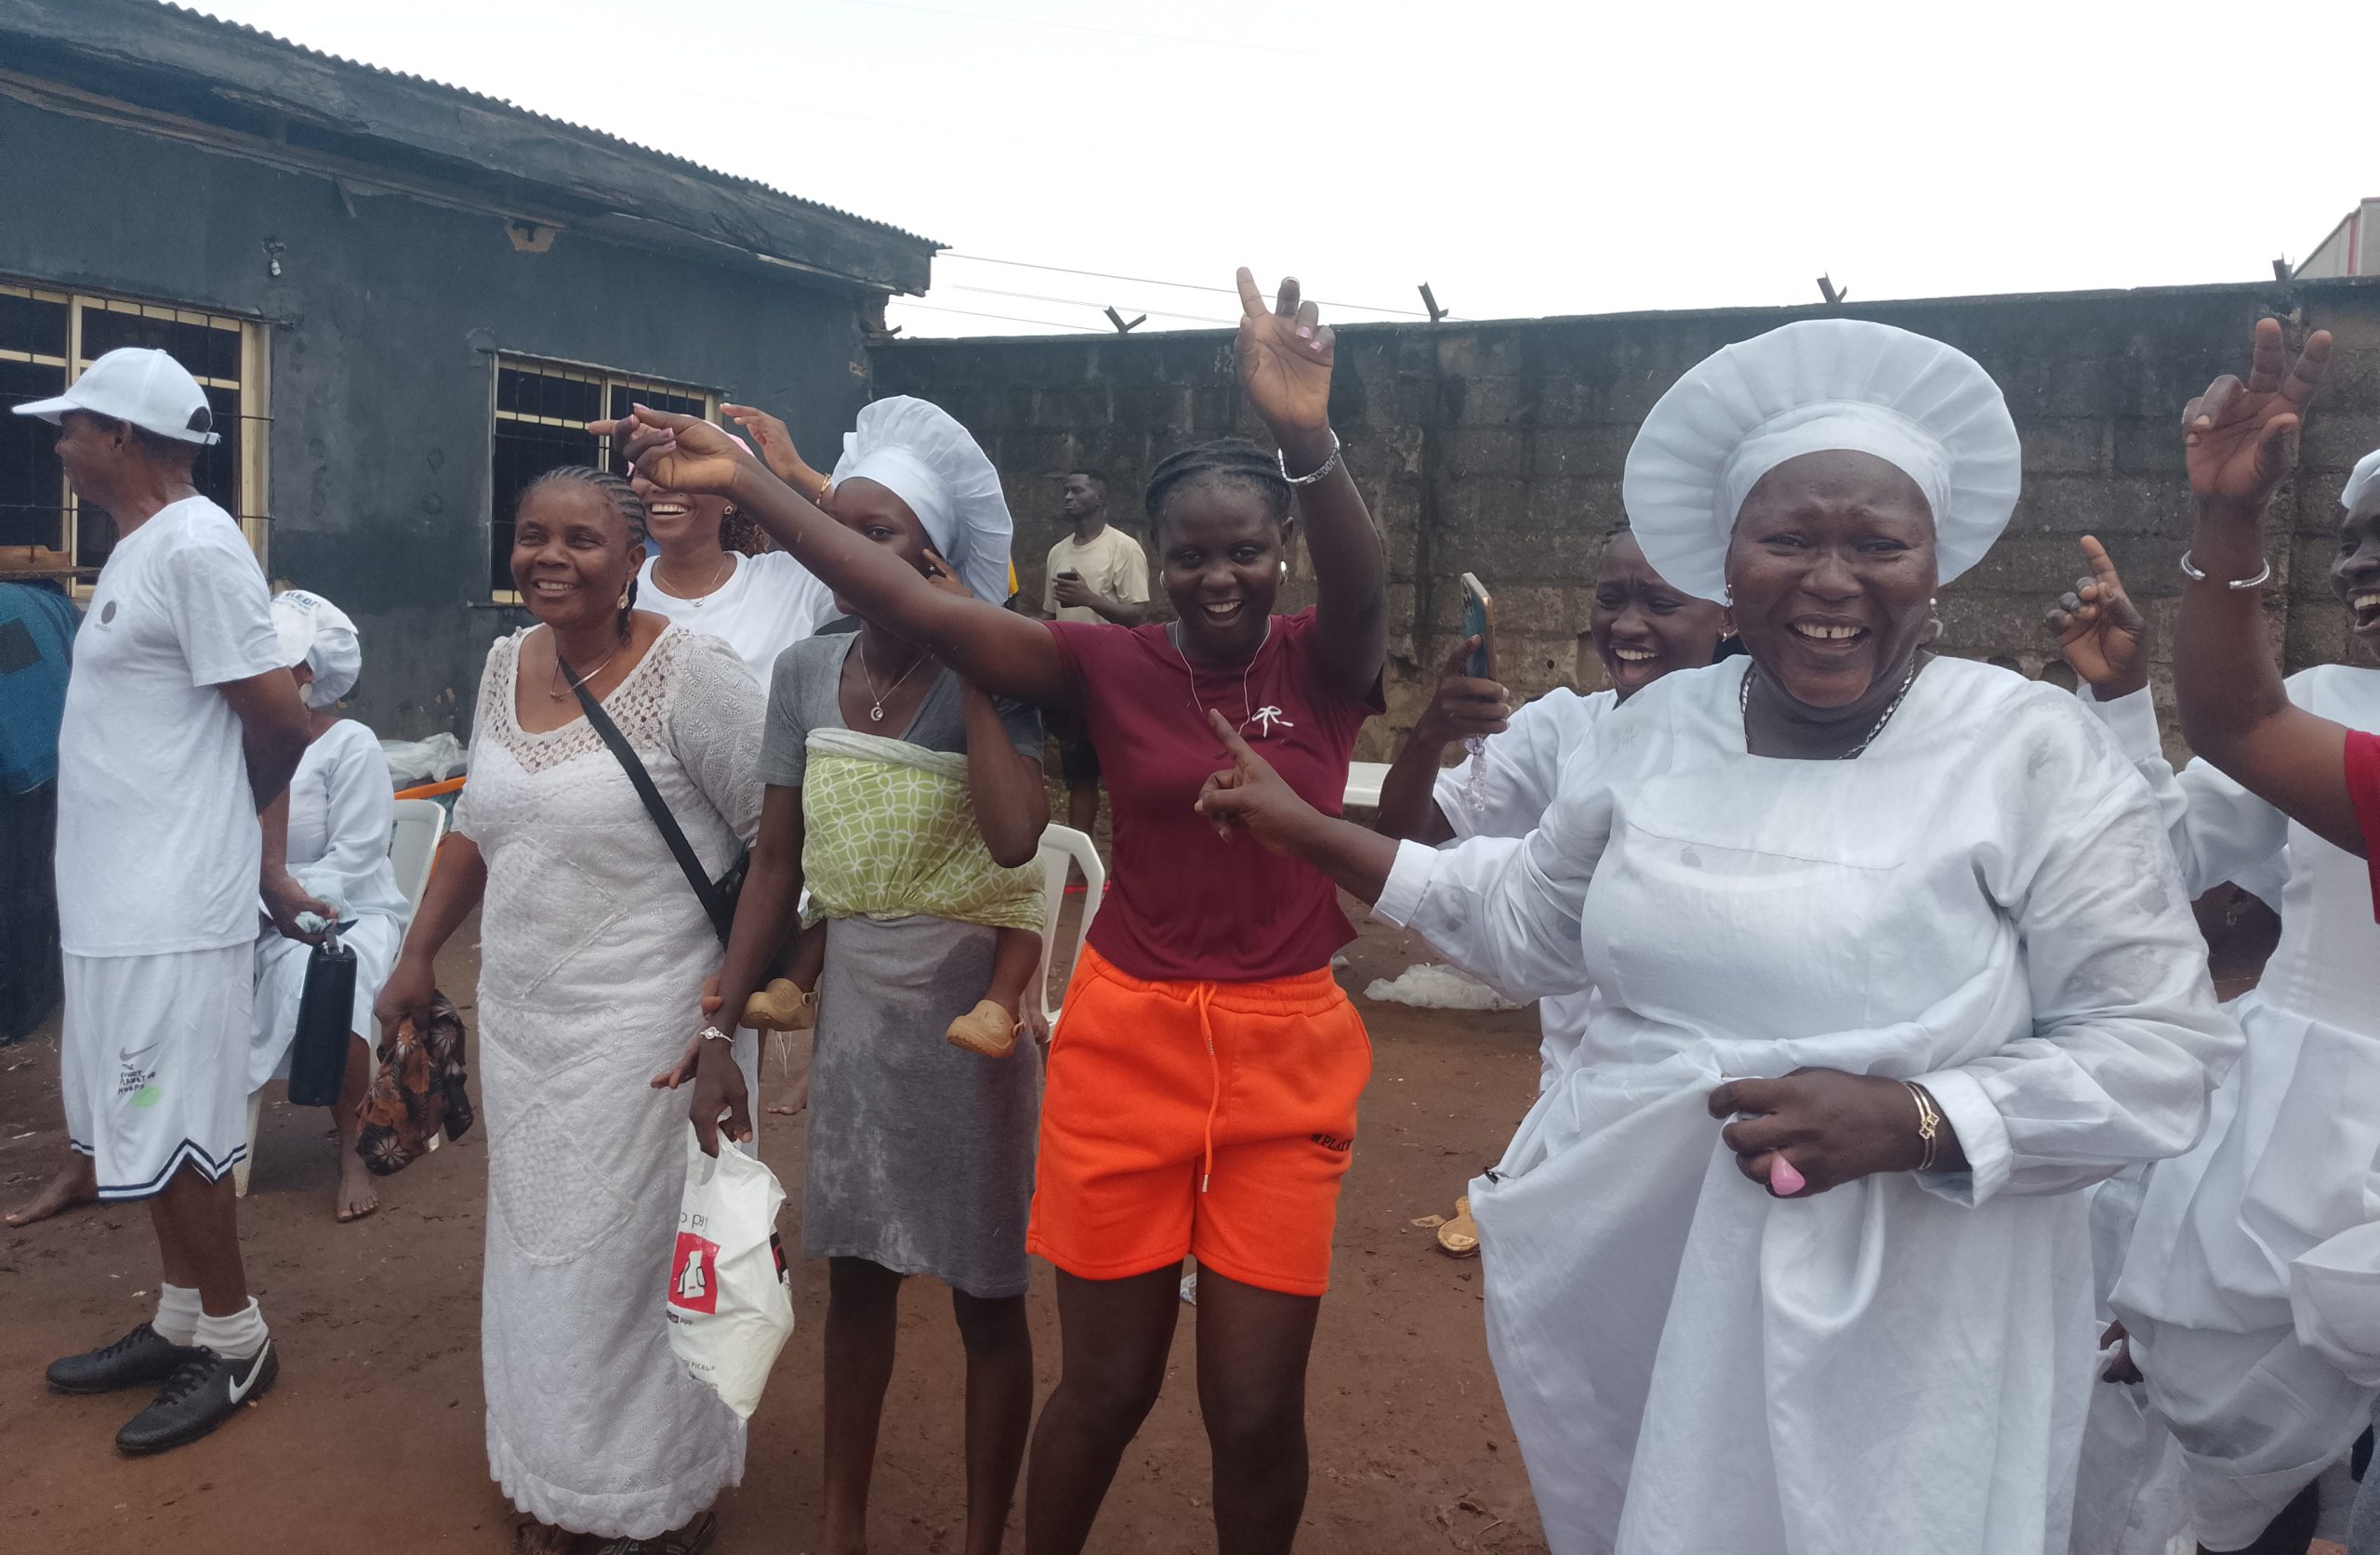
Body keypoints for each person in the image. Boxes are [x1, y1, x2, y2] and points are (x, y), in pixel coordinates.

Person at [1190, 316, 2242, 1555]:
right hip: (1650, 1285)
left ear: (1936, 563)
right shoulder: (1650, 734)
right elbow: (1524, 924)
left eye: (1879, 544)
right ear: (1728, 564)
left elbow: (2157, 1049)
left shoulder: (2028, 749)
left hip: (1923, 1315)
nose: (1832, 580)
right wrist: (1311, 830)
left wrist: (1917, 1119)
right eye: (1788, 539)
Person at [612, 268, 1386, 1555]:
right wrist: (752, 483)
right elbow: (910, 596)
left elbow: (1362, 582)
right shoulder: (1110, 664)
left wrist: (1306, 436)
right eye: (1191, 555)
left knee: (1254, 1413)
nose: (1218, 577)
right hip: (1128, 1047)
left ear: (1281, 554)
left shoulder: (1324, 662)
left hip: (1284, 1056)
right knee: (1107, 1390)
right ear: (1157, 562)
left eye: (1246, 551)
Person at [664, 396, 1048, 1555]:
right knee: (859, 1282)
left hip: (968, 1015)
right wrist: (723, 1032)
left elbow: (1014, 840)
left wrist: (967, 649)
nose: (848, 556)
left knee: (987, 1297)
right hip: (859, 1022)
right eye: (843, 530)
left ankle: (982, 1540)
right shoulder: (803, 671)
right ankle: (842, 1530)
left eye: (879, 537)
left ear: (932, 561)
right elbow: (776, 865)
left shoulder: (1002, 669)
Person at [376, 464, 761, 1555]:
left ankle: (660, 1498)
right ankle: (561, 1478)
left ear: (636, 558)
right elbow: (477, 823)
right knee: (543, 1259)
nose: (550, 557)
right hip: (528, 1023)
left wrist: (726, 1024)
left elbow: (780, 847)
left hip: (656, 1034)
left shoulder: (694, 674)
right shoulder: (507, 662)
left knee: (635, 1267)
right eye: (531, 535)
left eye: (582, 539)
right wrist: (418, 952)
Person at [2056, 318, 2380, 1555]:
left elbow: (2237, 717)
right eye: (2351, 541)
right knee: (2244, 1453)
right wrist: (2120, 705)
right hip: (2284, 1143)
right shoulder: (2323, 710)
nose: (2362, 566)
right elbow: (2160, 863)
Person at [13, 347, 312, 1455]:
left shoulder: (196, 546)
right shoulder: (145, 550)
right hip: (116, 905)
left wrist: (226, 834)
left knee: (177, 1129)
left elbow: (279, 719)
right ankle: (183, 1317)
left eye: (73, 426)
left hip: (170, 907)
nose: (60, 444)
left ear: (123, 438)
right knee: (136, 1120)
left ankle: (236, 1341)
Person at [1371, 521, 1732, 1088]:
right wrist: (1430, 735)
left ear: (1727, 615)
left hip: (1719, 1093)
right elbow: (1404, 835)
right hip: (1576, 1085)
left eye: (1661, 604)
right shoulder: (1562, 728)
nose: (1627, 624)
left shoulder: (1773, 750)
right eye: (1610, 600)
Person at [244, 589, 411, 1224]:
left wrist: (282, 896)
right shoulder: (238, 741)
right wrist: (256, 899)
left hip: (347, 911)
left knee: (322, 977)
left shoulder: (349, 744)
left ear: (309, 675)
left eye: (280, 665)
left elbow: (358, 855)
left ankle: (352, 1146)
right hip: (254, 911)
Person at [632, 408, 838, 690]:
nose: (663, 483)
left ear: (732, 496)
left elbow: (883, 554)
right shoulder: (616, 587)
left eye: (686, 471)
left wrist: (798, 472)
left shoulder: (790, 580)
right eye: (647, 471)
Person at [2, 577, 89, 1226]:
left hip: (34, 764)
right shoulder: (44, 608)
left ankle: (21, 1008)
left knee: (26, 886)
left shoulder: (17, 615)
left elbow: (25, 707)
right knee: (32, 883)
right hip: (57, 759)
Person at [1043, 468, 1151, 833]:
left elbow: (1138, 616)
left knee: (1124, 773)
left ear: (1100, 497)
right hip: (1071, 680)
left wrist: (1089, 598)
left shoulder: (1124, 548)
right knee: (1080, 774)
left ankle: (1128, 853)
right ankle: (1079, 858)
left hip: (1114, 680)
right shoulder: (1057, 552)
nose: (1068, 497)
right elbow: (1049, 616)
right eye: (1065, 491)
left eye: (1077, 490)